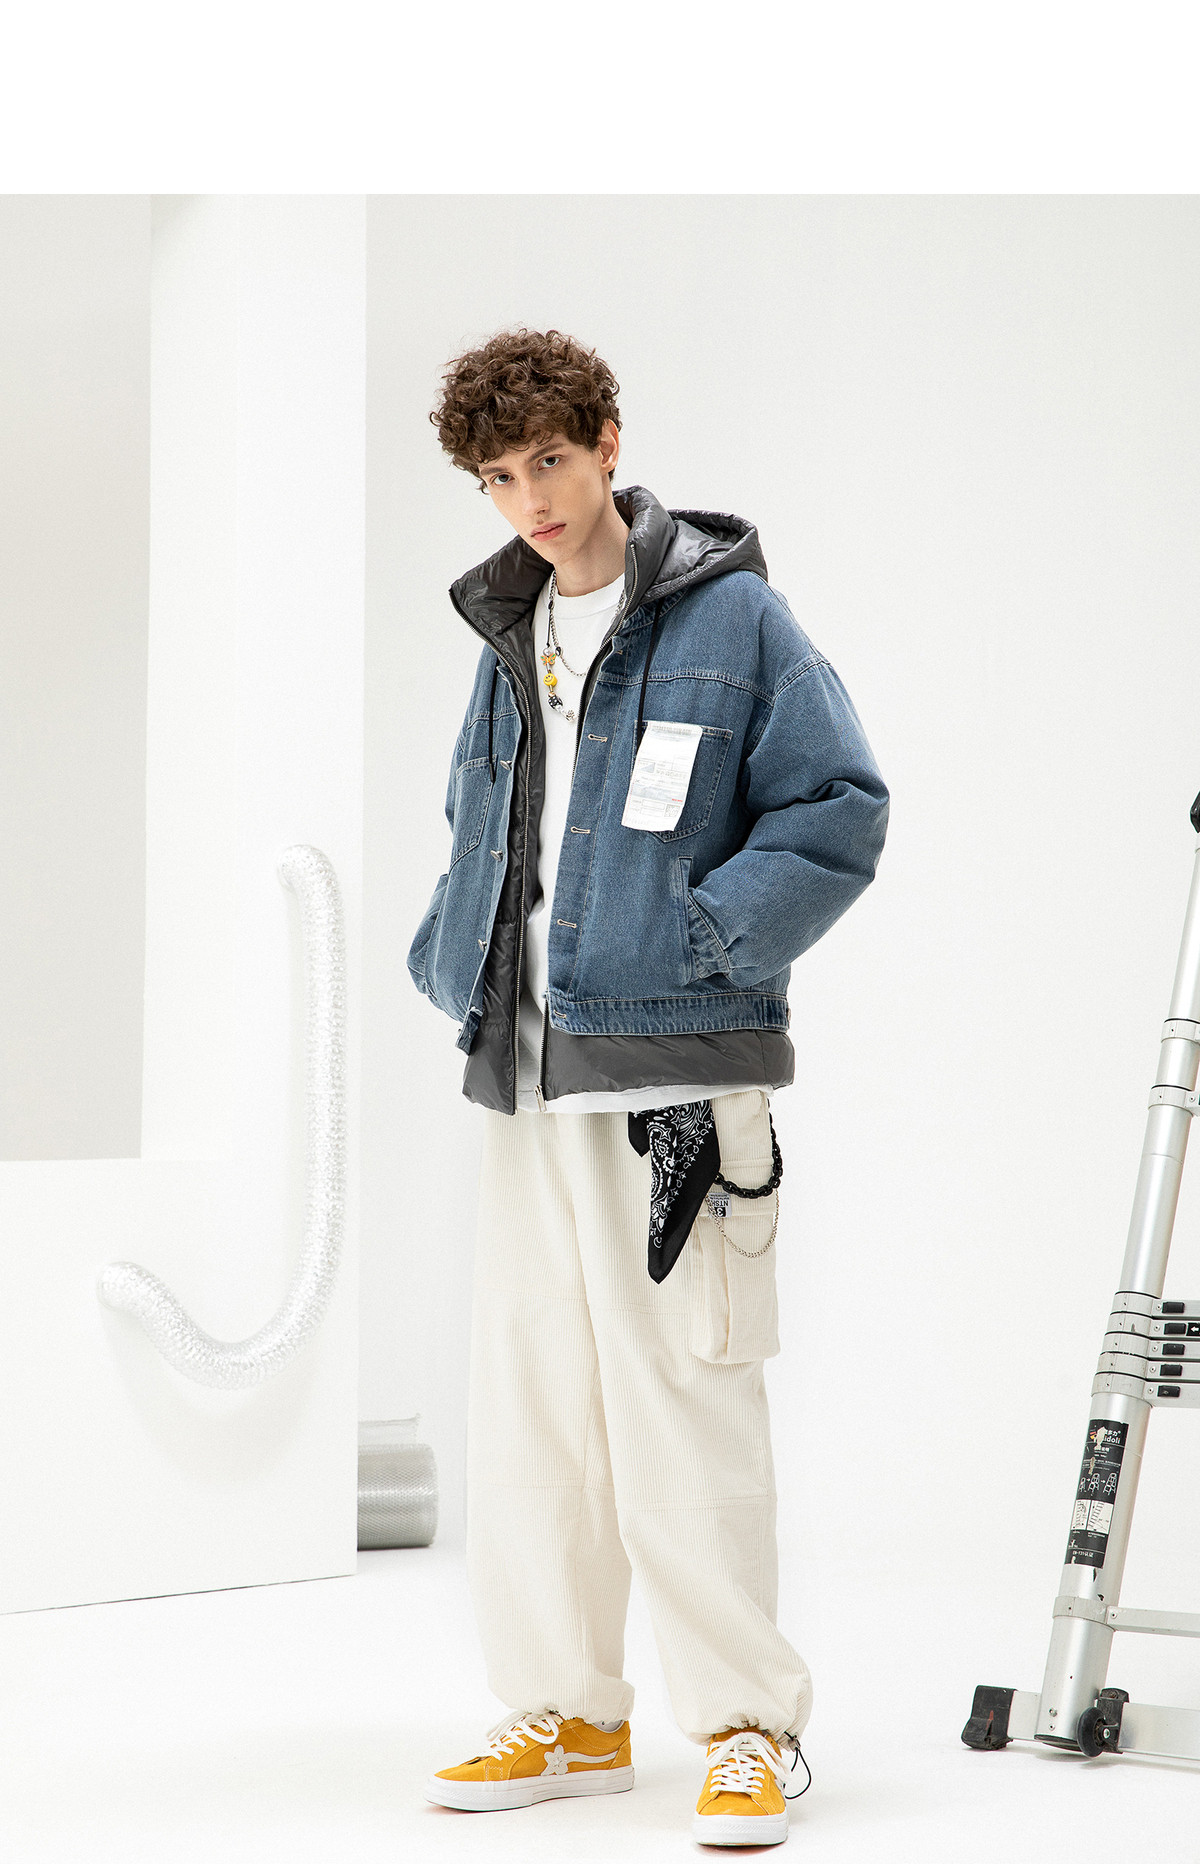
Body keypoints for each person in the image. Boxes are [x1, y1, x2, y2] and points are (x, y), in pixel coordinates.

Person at [407, 326, 888, 1845]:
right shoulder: (508, 629)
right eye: (498, 479)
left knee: (685, 1402)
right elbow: (480, 827)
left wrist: (703, 944)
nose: (530, 502)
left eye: (549, 461)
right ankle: (570, 1710)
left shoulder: (733, 617)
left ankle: (748, 1728)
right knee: (536, 1410)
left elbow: (837, 808)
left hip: (675, 1076)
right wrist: (454, 959)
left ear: (608, 442)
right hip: (529, 1076)